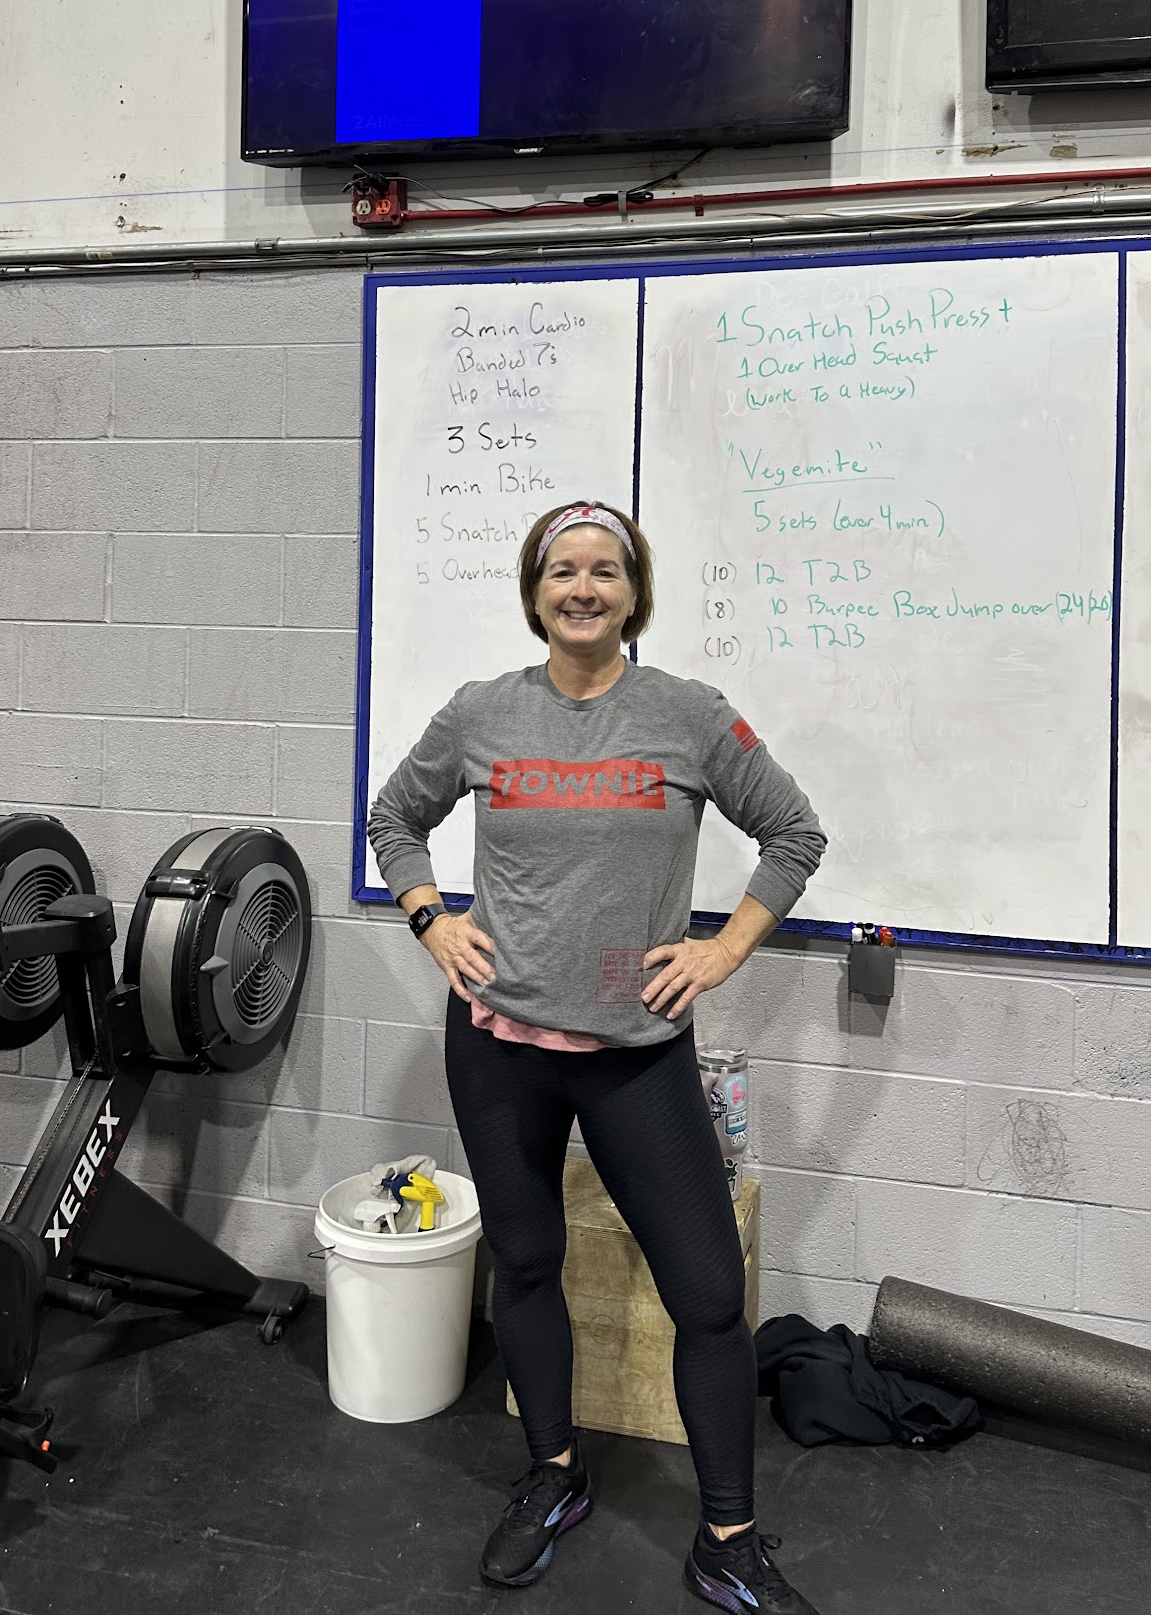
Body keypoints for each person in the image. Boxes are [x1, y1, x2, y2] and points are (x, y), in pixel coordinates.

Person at [368, 500, 828, 1611]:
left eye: (605, 571)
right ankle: (555, 1473)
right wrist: (432, 920)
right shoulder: (481, 712)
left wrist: (722, 951)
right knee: (526, 1263)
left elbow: (795, 833)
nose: (583, 588)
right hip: (499, 1044)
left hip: (636, 1051)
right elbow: (394, 819)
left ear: (634, 592)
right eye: (562, 571)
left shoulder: (688, 715)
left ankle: (727, 1538)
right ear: (536, 594)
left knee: (707, 1295)